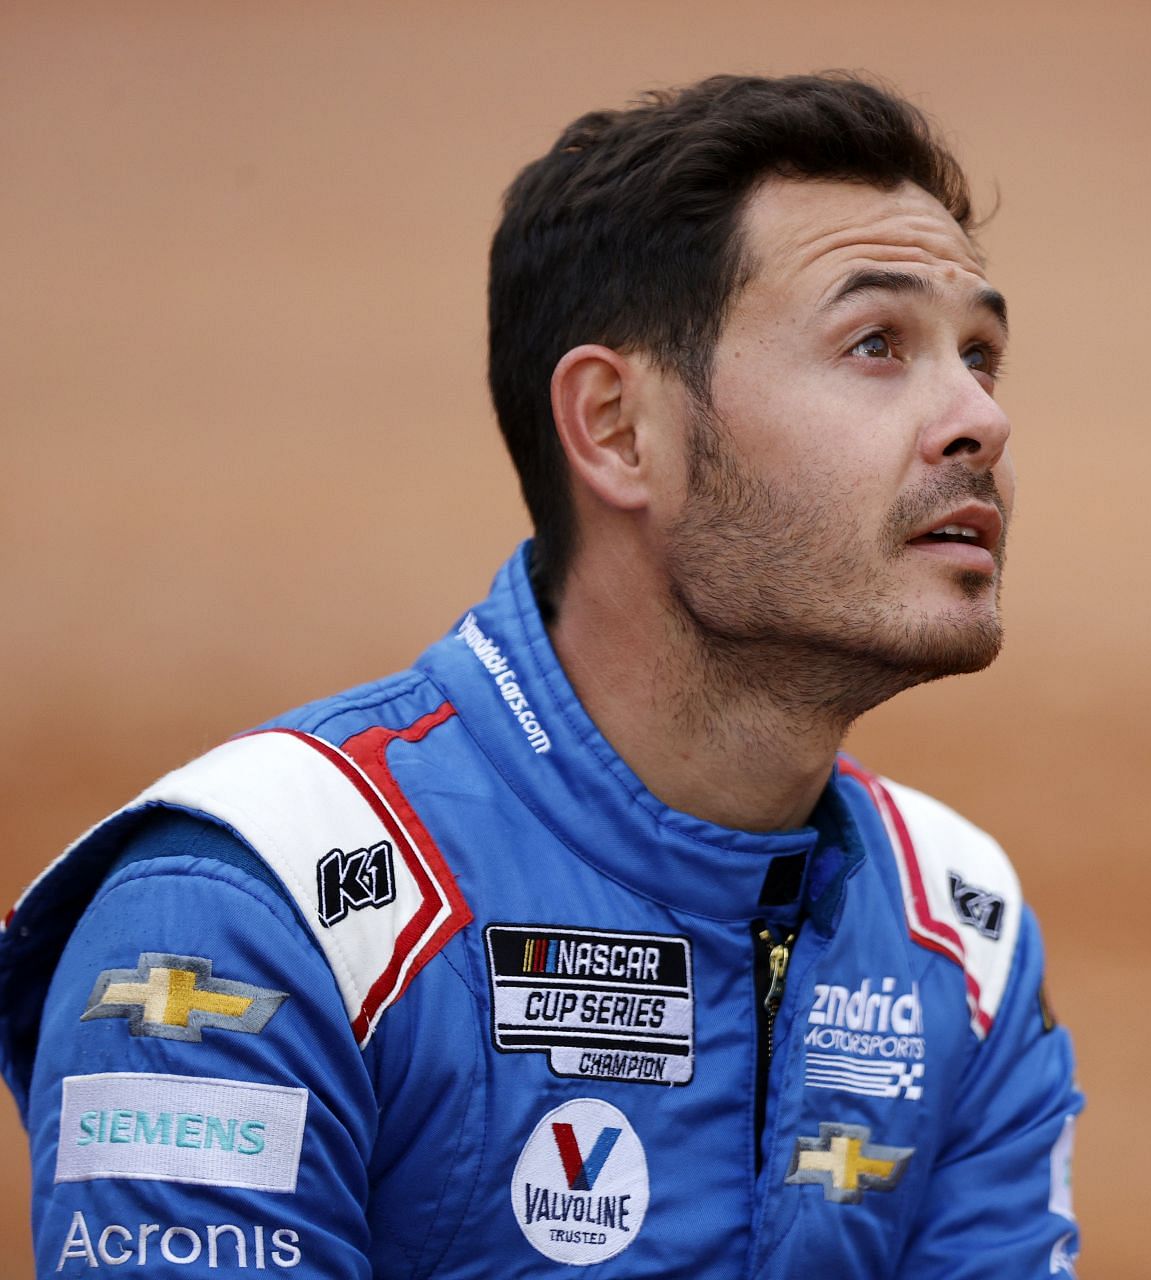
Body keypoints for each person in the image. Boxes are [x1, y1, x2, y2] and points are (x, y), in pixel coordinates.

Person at [0, 72, 1082, 1277]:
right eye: (877, 343)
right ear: (618, 428)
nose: (977, 416)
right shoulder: (253, 915)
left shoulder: (956, 933)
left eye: (980, 354)